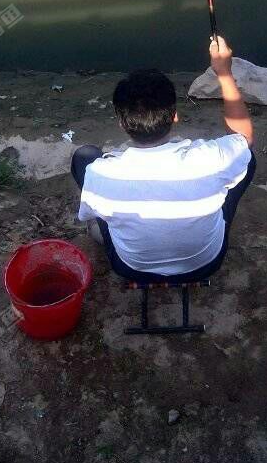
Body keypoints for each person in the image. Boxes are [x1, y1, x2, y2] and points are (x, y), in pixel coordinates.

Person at [71, 36, 256, 283]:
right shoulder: (212, 159)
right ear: (175, 116)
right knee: (246, 159)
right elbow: (243, 137)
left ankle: (102, 234)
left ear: (121, 122)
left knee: (84, 157)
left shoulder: (101, 173)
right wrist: (223, 72)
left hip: (131, 268)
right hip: (205, 264)